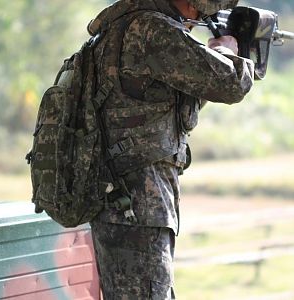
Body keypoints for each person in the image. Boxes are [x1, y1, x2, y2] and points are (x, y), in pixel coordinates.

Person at [88, 0, 254, 299]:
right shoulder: (153, 29)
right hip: (137, 202)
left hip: (124, 198)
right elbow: (231, 82)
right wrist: (227, 49)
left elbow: (175, 105)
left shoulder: (125, 23)